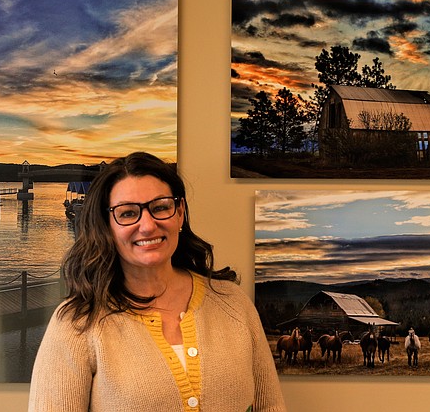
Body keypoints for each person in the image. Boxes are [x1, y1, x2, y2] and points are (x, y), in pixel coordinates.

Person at [28, 152, 286, 412]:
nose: (148, 226)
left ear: (180, 212)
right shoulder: (78, 323)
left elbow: (270, 406)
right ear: (107, 226)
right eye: (128, 213)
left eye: (161, 207)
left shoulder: (233, 302)